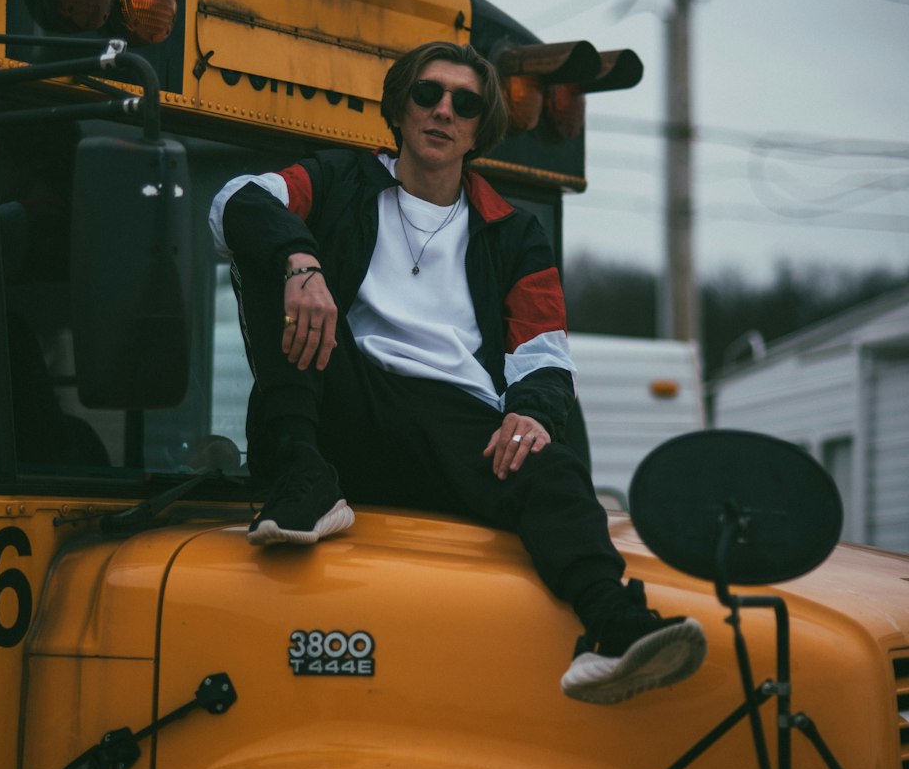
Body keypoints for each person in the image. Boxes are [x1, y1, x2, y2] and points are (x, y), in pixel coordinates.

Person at [209, 40, 705, 705]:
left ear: (479, 127)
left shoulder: (513, 230)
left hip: (456, 428)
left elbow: (544, 352)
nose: (444, 111)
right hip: (349, 403)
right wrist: (302, 259)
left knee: (550, 465)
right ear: (400, 107)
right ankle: (305, 479)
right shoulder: (340, 180)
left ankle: (614, 628)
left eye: (464, 102)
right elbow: (238, 201)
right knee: (277, 259)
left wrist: (529, 411)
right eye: (428, 94)